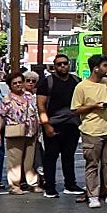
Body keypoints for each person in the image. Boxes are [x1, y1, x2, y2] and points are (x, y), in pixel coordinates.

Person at [71, 54, 107, 209]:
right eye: (105, 66)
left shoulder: (106, 83)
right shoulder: (82, 86)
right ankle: (93, 195)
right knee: (92, 164)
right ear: (96, 68)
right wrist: (93, 106)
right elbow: (75, 109)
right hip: (91, 130)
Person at [37, 53, 85, 199]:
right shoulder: (47, 82)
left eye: (65, 63)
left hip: (72, 125)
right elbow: (41, 106)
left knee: (69, 156)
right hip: (53, 125)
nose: (62, 66)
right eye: (59, 64)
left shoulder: (76, 81)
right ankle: (50, 186)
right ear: (54, 66)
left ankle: (70, 184)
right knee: (51, 157)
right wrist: (46, 125)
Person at [0, 71, 41, 195]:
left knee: (30, 160)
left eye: (20, 82)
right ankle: (14, 185)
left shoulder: (29, 96)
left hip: (31, 131)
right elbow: (1, 116)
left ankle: (32, 183)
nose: (18, 85)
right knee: (14, 161)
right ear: (10, 85)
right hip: (15, 132)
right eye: (14, 83)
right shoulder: (7, 99)